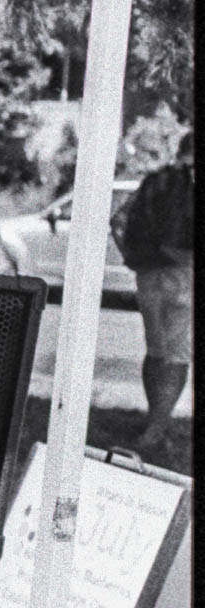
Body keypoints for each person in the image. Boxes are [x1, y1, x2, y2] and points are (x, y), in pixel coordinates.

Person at [113, 126, 194, 455]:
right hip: (186, 274)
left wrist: (131, 257)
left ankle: (153, 420)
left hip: (149, 274)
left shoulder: (154, 180)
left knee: (156, 350)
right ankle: (157, 428)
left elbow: (118, 219)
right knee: (178, 354)